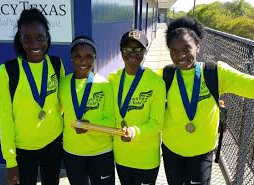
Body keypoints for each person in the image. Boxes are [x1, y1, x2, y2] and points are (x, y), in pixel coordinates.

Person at [159, 16, 254, 185]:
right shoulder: (165, 75)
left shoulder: (215, 72)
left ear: (197, 47)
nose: (180, 55)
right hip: (171, 150)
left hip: (202, 153)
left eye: (186, 48)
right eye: (174, 50)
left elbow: (250, 85)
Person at [0, 8, 64, 185]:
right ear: (20, 39)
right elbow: (5, 119)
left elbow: (63, 104)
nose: (34, 44)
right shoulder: (7, 71)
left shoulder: (57, 64)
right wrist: (10, 161)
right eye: (27, 38)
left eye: (39, 37)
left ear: (47, 37)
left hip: (54, 143)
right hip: (24, 150)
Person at [108, 30, 165, 185]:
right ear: (121, 52)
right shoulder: (113, 79)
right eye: (127, 49)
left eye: (138, 49)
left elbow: (157, 123)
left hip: (146, 158)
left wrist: (134, 131)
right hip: (122, 155)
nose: (132, 53)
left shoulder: (156, 83)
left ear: (145, 52)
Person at [58, 36, 115, 185]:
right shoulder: (63, 83)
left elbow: (111, 121)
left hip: (101, 152)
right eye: (78, 56)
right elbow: (57, 113)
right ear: (71, 58)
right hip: (72, 153)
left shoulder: (104, 85)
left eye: (89, 56)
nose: (83, 61)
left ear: (95, 58)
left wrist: (89, 126)